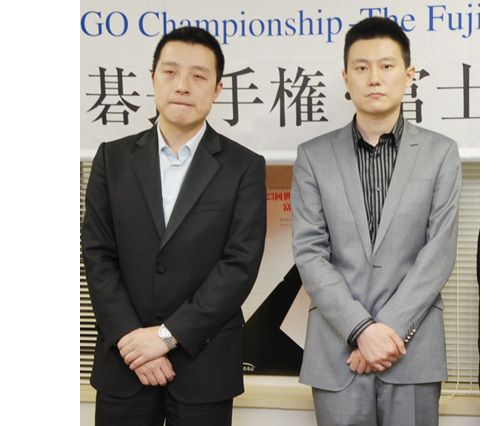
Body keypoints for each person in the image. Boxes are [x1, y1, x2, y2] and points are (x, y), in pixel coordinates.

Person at [81, 26, 267, 426]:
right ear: (153, 79)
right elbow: (98, 256)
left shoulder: (244, 167)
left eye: (198, 76)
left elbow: (239, 265)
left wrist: (166, 337)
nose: (182, 85)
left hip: (204, 365)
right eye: (170, 72)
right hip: (125, 363)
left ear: (218, 89)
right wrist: (133, 341)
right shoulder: (112, 159)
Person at [291, 17, 461, 426]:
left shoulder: (441, 153)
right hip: (337, 351)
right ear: (345, 78)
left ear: (409, 74)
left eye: (386, 66)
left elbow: (438, 252)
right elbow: (310, 254)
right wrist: (361, 330)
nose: (374, 78)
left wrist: (387, 330)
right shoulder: (313, 156)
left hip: (412, 350)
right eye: (362, 67)